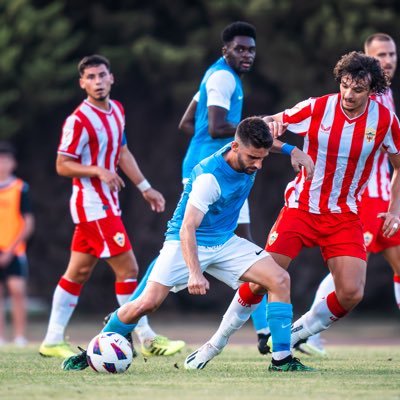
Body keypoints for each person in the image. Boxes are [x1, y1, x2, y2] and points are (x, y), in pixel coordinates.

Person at [185, 50, 400, 368]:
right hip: (300, 209)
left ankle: (299, 332)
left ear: (372, 91)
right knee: (260, 281)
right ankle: (214, 344)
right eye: (345, 85)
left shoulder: (384, 120)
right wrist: (287, 146)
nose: (349, 94)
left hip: (344, 214)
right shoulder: (318, 107)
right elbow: (266, 124)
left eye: (358, 89)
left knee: (352, 293)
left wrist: (394, 208)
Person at [61, 116, 314, 372]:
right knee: (147, 303)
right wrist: (195, 273)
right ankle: (95, 349)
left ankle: (281, 360)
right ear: (235, 147)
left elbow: (263, 143)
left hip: (225, 242)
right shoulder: (210, 178)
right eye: (252, 158)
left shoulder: (248, 149)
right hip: (186, 241)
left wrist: (293, 150)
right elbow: (188, 228)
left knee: (279, 279)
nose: (258, 164)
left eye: (262, 157)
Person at [39, 55, 184, 358]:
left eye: (101, 75)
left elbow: (122, 151)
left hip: (108, 205)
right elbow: (62, 164)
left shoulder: (117, 110)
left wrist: (145, 188)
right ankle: (145, 337)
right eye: (90, 77)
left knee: (77, 272)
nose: (97, 82)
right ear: (82, 83)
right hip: (92, 206)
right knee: (129, 268)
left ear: (111, 78)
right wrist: (97, 170)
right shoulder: (78, 121)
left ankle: (52, 340)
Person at [299, 32, 400, 356]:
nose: (387, 61)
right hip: (366, 198)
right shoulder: (366, 97)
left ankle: (305, 330)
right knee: (351, 271)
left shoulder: (385, 97)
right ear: (368, 61)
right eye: (380, 55)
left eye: (392, 54)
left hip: (384, 194)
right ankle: (306, 330)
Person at [179, 21, 270, 353]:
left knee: (245, 245)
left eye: (251, 49)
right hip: (211, 174)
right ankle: (133, 318)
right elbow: (215, 126)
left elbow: (189, 122)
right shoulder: (222, 78)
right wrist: (254, 130)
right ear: (225, 50)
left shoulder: (217, 77)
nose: (246, 54)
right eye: (240, 49)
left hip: (219, 171)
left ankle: (264, 333)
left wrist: (208, 142)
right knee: (180, 242)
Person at [0, 142, 34, 347]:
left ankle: (20, 336)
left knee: (17, 290)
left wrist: (11, 250)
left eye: (6, 160)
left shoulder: (21, 188)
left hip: (15, 249)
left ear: (13, 163)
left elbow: (28, 222)